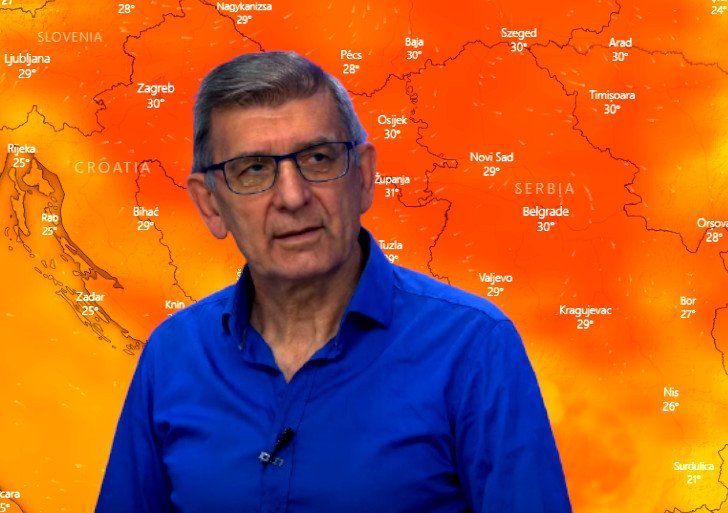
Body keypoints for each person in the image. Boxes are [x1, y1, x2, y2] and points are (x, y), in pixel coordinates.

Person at [96, 50, 571, 513]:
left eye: (318, 158)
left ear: (363, 177)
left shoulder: (473, 346)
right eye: (254, 169)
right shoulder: (173, 354)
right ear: (210, 204)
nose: (292, 196)